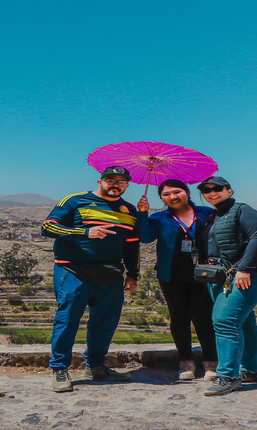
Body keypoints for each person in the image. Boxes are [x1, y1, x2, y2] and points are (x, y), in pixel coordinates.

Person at [42, 166, 139, 393]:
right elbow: (47, 227)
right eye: (110, 179)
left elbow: (132, 245)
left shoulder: (129, 209)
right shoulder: (75, 201)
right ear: (100, 181)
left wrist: (133, 273)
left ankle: (96, 367)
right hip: (73, 271)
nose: (115, 184)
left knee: (105, 323)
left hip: (110, 274)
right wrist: (84, 232)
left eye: (121, 182)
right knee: (67, 320)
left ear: (127, 186)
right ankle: (59, 369)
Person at [137, 180, 217, 381]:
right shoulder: (159, 218)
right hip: (171, 275)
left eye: (177, 191)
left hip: (203, 274)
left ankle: (211, 362)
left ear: (187, 192)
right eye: (166, 194)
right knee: (179, 317)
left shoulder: (206, 213)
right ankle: (185, 362)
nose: (172, 196)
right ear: (162, 198)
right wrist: (142, 213)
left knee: (204, 318)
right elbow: (145, 237)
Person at [197, 176, 257, 395]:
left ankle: (228, 376)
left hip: (241, 275)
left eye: (217, 188)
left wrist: (245, 269)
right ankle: (251, 368)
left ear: (229, 190)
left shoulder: (242, 209)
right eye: (206, 190)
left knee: (224, 321)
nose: (212, 192)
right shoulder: (214, 215)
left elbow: (256, 236)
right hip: (218, 277)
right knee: (245, 322)